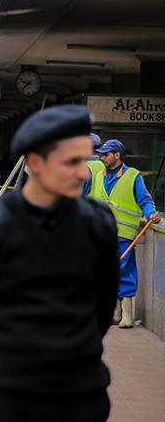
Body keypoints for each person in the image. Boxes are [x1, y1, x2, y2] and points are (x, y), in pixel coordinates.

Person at [0, 105, 119, 422]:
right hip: (7, 397)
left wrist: (73, 351)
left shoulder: (98, 224)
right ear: (35, 162)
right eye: (73, 162)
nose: (84, 173)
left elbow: (104, 306)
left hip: (82, 395)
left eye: (87, 161)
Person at [87, 138, 160, 328]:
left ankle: (128, 314)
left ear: (117, 155)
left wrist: (151, 213)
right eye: (101, 154)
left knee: (124, 271)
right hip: (101, 234)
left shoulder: (133, 176)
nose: (101, 157)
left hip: (123, 235)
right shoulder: (99, 176)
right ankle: (116, 312)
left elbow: (144, 199)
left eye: (105, 154)